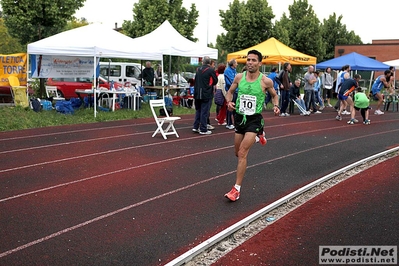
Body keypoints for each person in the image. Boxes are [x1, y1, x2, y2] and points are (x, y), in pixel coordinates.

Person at [224, 49, 280, 201]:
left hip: (254, 119)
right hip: (240, 117)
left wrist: (276, 106)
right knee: (237, 153)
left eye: (254, 60)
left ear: (260, 63)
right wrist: (229, 101)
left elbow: (274, 95)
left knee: (242, 153)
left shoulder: (265, 81)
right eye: (248, 60)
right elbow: (229, 92)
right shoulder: (239, 77)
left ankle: (236, 190)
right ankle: (259, 136)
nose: (250, 62)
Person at [192, 56, 218, 135]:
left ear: (202, 62)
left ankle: (196, 126)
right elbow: (215, 81)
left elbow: (195, 80)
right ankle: (203, 129)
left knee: (198, 110)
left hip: (197, 93)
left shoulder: (198, 69)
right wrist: (209, 85)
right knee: (204, 111)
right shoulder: (210, 70)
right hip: (206, 93)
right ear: (209, 62)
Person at [224, 59, 238, 130]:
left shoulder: (234, 71)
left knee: (235, 107)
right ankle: (229, 123)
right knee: (230, 106)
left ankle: (235, 123)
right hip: (231, 91)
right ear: (233, 64)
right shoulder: (228, 71)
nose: (237, 64)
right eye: (236, 63)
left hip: (236, 91)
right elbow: (231, 81)